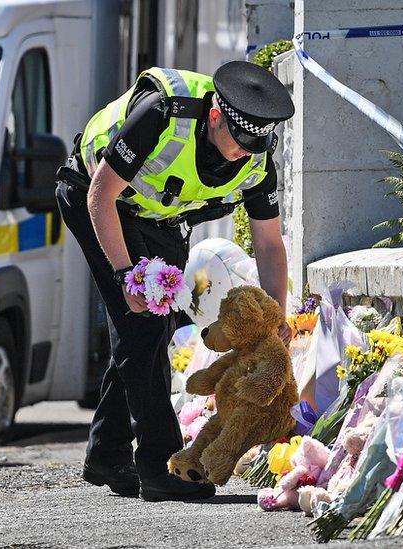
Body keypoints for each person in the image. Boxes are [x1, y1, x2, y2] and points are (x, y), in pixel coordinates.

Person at [56, 60, 295, 502]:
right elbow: (100, 195)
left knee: (148, 330)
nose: (247, 152)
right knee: (140, 326)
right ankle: (161, 466)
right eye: (239, 141)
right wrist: (126, 275)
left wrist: (274, 317)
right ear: (216, 117)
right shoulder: (164, 113)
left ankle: (107, 454)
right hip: (95, 198)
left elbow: (268, 243)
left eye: (256, 143)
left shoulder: (256, 156)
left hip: (159, 218)